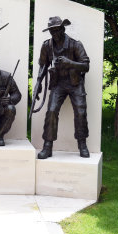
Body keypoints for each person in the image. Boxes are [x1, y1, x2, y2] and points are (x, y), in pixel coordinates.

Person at [36, 16, 90, 159]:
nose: (55, 34)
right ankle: (47, 146)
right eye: (52, 31)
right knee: (51, 111)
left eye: (57, 30)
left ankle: (82, 144)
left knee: (80, 111)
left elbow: (86, 65)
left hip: (75, 83)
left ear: (63, 29)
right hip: (58, 83)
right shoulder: (47, 46)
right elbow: (42, 66)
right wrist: (38, 84)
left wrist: (70, 63)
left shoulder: (75, 44)